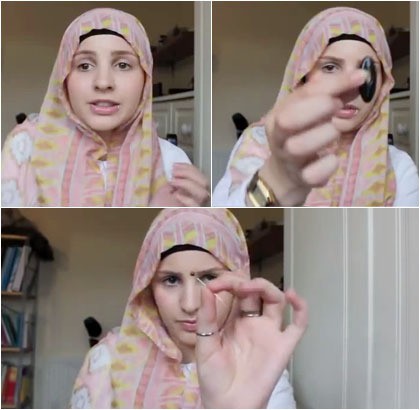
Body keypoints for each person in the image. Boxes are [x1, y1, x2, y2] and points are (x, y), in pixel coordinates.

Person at [70, 208, 308, 408]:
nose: (190, 304)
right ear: (148, 288)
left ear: (238, 282)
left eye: (209, 278)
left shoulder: (259, 369)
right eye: (171, 280)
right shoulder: (106, 361)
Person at [1, 8, 209, 207]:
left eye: (123, 65)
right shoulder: (25, 150)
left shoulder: (172, 163)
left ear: (145, 78)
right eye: (84, 66)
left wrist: (196, 210)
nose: (103, 82)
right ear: (63, 79)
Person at [212, 7, 419, 207]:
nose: (349, 88)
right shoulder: (258, 142)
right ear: (303, 77)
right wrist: (272, 182)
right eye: (330, 67)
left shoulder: (398, 167)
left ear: (382, 84)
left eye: (366, 70)